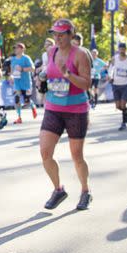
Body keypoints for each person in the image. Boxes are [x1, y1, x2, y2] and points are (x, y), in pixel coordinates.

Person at [39, 18, 93, 211]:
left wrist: (69, 75)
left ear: (71, 35)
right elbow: (49, 74)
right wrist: (43, 79)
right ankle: (58, 189)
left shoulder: (80, 55)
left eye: (61, 34)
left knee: (77, 155)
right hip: (53, 108)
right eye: (55, 34)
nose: (58, 38)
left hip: (76, 110)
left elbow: (86, 84)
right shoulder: (51, 52)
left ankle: (85, 191)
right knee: (45, 152)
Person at [107, 42, 127, 130]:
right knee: (118, 106)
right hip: (116, 84)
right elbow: (110, 69)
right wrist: (110, 76)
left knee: (122, 104)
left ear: (125, 49)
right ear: (118, 49)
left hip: (126, 84)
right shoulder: (114, 58)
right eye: (120, 49)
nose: (121, 50)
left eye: (123, 49)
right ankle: (126, 110)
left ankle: (123, 122)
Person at [10, 42, 36, 124]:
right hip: (17, 82)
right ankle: (19, 117)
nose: (15, 49)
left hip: (26, 82)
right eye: (15, 48)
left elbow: (33, 68)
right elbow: (11, 69)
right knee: (17, 99)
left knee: (26, 101)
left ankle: (32, 106)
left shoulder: (26, 58)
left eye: (17, 48)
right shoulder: (13, 59)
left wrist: (22, 69)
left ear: (22, 49)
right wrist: (11, 76)